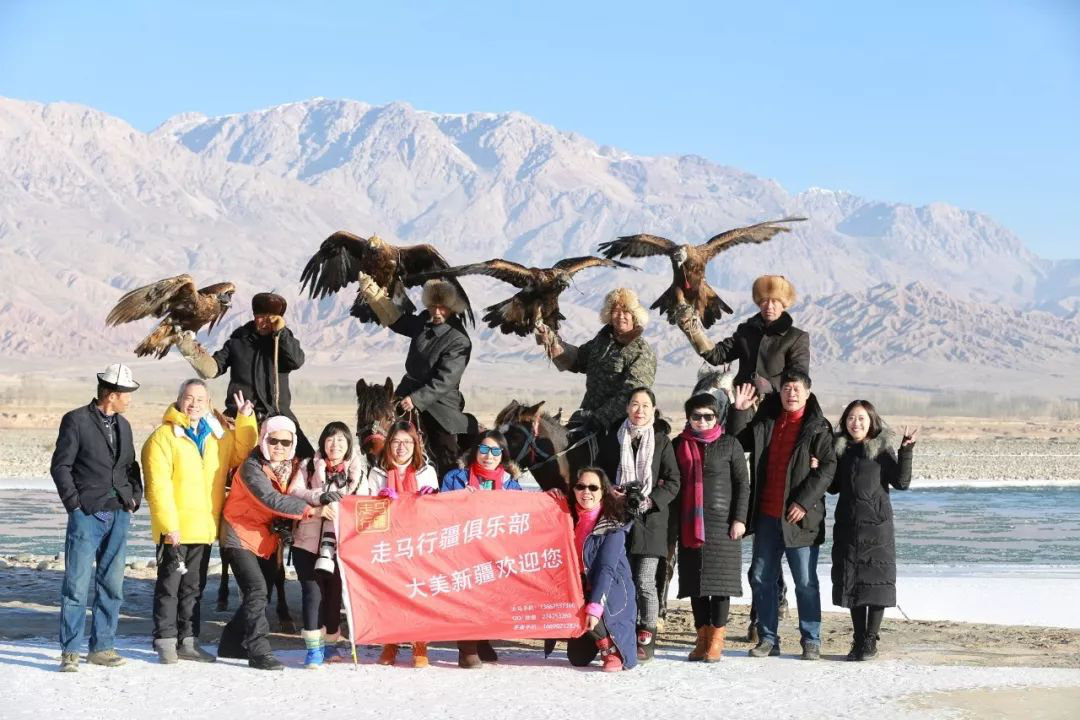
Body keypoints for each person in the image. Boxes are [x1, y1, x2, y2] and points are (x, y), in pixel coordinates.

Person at [142, 381, 258, 664]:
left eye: (201, 399)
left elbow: (242, 452)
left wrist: (245, 418)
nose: (194, 404)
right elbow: (158, 487)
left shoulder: (218, 437)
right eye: (189, 398)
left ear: (209, 403)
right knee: (169, 586)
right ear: (179, 399)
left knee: (194, 588)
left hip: (204, 526)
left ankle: (188, 642)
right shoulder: (163, 437)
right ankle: (166, 641)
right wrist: (170, 526)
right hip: (176, 527)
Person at [216, 416, 337, 670]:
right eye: (273, 440)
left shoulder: (292, 468)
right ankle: (258, 650)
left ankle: (231, 642)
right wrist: (312, 511)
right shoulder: (251, 468)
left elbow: (306, 483)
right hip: (239, 534)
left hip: (266, 540)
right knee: (257, 590)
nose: (278, 446)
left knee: (262, 592)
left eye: (285, 441)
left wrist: (324, 494)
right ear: (263, 440)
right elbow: (271, 499)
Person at [731, 369, 836, 660]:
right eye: (787, 388)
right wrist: (739, 411)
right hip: (766, 515)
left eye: (797, 388)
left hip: (800, 519)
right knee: (762, 577)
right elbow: (739, 442)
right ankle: (768, 638)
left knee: (805, 581)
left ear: (808, 392)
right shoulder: (767, 421)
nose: (791, 393)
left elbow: (827, 469)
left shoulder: (818, 427)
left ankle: (811, 640)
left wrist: (803, 502)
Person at [50, 363, 142, 672]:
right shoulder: (75, 421)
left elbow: (132, 467)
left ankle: (102, 647)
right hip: (87, 515)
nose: (130, 399)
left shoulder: (124, 426)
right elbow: (60, 466)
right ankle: (71, 652)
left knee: (112, 585)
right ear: (113, 395)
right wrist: (74, 505)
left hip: (119, 514)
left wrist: (135, 497)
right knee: (76, 585)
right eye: (126, 394)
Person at [356, 274, 474, 477]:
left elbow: (446, 379)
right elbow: (400, 322)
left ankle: (449, 484)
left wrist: (417, 400)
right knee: (378, 422)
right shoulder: (424, 321)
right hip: (407, 388)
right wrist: (377, 300)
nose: (436, 312)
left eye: (442, 308)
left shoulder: (459, 340)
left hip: (439, 401)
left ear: (452, 307)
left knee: (444, 447)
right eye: (433, 306)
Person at [595, 387, 681, 661]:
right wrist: (612, 493)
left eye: (645, 405)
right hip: (619, 519)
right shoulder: (612, 440)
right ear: (626, 408)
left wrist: (650, 500)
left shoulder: (661, 441)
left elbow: (673, 481)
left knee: (645, 581)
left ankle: (648, 635)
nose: (639, 410)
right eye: (634, 404)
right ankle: (624, 631)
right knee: (623, 579)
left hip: (651, 521)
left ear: (653, 410)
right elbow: (599, 476)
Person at [830, 400, 917, 661]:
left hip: (877, 529)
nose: (855, 423)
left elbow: (901, 482)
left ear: (871, 422)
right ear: (845, 421)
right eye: (851, 418)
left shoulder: (880, 449)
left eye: (861, 419)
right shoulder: (841, 450)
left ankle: (870, 639)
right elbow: (833, 487)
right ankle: (857, 639)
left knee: (876, 584)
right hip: (848, 526)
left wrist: (906, 451)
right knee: (854, 584)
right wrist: (817, 464)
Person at [176, 291, 313, 458]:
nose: (265, 322)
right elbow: (214, 369)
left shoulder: (283, 341)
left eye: (271, 317)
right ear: (254, 315)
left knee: (307, 459)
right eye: (261, 316)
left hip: (277, 415)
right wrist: (190, 350)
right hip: (238, 416)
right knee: (218, 457)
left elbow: (297, 361)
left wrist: (281, 333)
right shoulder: (238, 340)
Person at [673, 383, 750, 662]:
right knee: (696, 586)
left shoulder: (730, 444)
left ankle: (716, 641)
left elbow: (743, 483)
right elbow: (672, 483)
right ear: (688, 418)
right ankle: (701, 638)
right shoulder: (679, 445)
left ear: (717, 417)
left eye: (708, 416)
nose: (702, 421)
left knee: (720, 586)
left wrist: (740, 519)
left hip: (723, 525)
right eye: (697, 416)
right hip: (690, 524)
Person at [288, 421, 371, 668]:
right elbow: (293, 493)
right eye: (330, 439)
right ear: (323, 442)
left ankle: (332, 640)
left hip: (341, 544)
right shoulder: (308, 466)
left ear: (348, 446)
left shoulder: (358, 474)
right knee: (313, 593)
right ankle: (314, 648)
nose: (335, 445)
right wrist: (319, 500)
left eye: (341, 440)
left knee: (335, 593)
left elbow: (363, 507)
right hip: (307, 541)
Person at [440, 430, 522, 668]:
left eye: (496, 451)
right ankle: (466, 649)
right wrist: (460, 500)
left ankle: (481, 637)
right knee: (468, 594)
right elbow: (440, 510)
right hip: (462, 549)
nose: (489, 456)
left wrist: (552, 498)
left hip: (495, 551)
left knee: (490, 596)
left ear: (503, 455)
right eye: (484, 450)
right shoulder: (455, 478)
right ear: (475, 451)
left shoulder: (511, 485)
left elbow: (523, 515)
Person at [536, 288, 657, 441]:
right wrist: (552, 341)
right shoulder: (602, 341)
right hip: (587, 416)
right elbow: (578, 359)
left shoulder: (641, 351)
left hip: (620, 425)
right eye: (616, 311)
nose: (621, 316)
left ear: (634, 316)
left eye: (626, 312)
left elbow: (633, 394)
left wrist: (600, 419)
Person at [367, 420, 439, 668]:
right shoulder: (377, 474)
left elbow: (438, 514)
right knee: (392, 593)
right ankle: (391, 642)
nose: (401, 447)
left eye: (407, 442)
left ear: (415, 445)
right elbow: (366, 514)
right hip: (389, 544)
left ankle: (420, 643)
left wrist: (432, 499)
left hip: (419, 543)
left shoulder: (426, 473)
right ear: (388, 444)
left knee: (418, 591)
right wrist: (379, 502)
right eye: (396, 442)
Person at [676, 274, 809, 396]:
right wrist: (692, 330)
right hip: (741, 402)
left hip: (777, 403)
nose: (769, 306)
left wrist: (769, 385)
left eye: (775, 301)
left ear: (784, 304)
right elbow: (717, 355)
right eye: (764, 300)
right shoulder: (745, 332)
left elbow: (799, 373)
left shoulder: (796, 337)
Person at [565, 467, 638, 672]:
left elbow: (606, 569)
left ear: (603, 491)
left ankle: (609, 646)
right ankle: (595, 637)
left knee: (588, 606)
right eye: (580, 486)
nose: (586, 492)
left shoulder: (613, 525)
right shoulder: (567, 518)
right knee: (577, 658)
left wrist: (595, 607)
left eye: (593, 487)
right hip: (580, 589)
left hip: (609, 592)